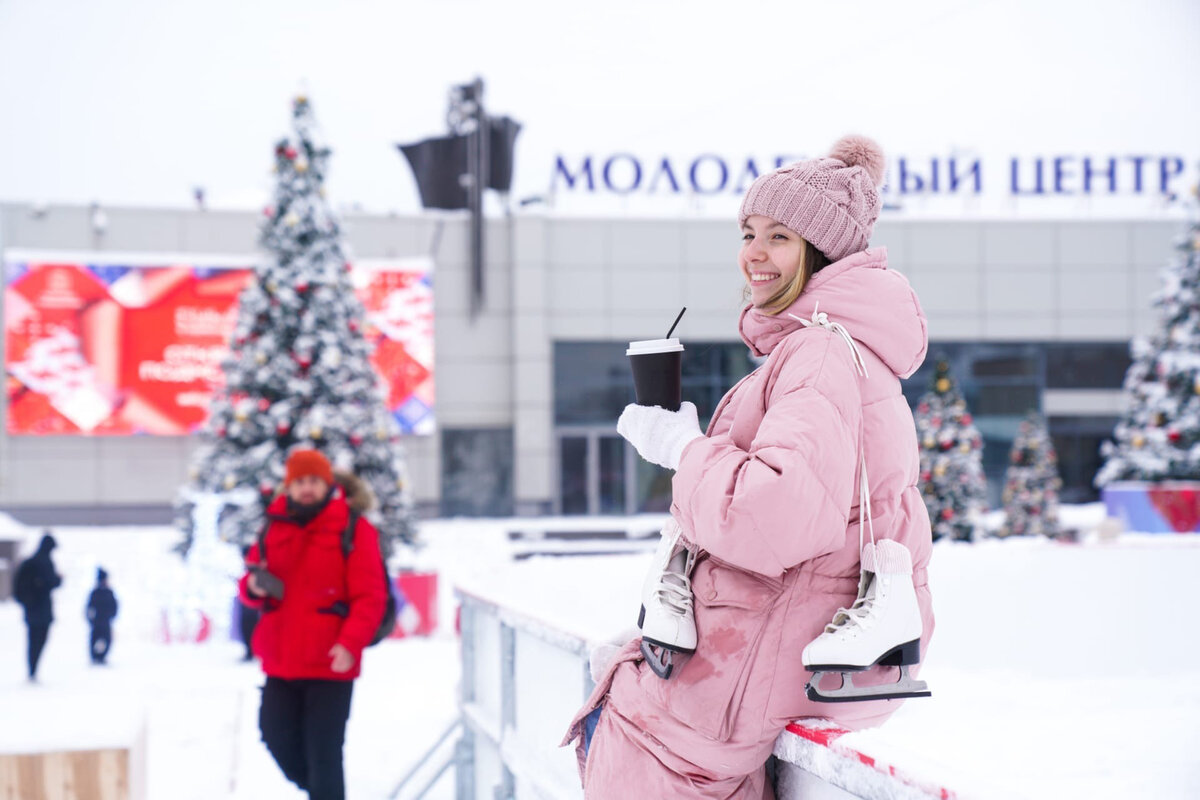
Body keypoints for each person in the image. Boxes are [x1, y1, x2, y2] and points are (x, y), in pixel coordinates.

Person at [563, 135, 935, 798]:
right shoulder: (832, 350)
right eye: (748, 232)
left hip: (752, 671)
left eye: (780, 237)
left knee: (622, 734)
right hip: (774, 658)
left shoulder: (818, 354)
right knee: (616, 687)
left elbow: (771, 517)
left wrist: (681, 448)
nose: (755, 254)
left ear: (822, 251)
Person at [239, 448, 386, 800]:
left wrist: (350, 644)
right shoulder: (271, 527)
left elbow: (370, 596)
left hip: (330, 663)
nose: (307, 488)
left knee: (324, 755)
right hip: (281, 660)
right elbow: (249, 584)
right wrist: (254, 587)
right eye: (300, 481)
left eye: (314, 481)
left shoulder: (354, 527)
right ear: (288, 487)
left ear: (328, 484)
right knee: (274, 735)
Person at [13, 531, 62, 682]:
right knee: (38, 640)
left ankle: (32, 669)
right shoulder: (43, 562)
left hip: (33, 609)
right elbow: (51, 582)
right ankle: (33, 669)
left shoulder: (31, 562)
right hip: (40, 609)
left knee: (33, 640)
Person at [86, 567, 119, 665]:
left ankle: (101, 657)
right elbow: (89, 607)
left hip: (105, 620)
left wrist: (112, 615)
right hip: (97, 621)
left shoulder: (108, 592)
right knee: (94, 639)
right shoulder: (95, 592)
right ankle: (95, 657)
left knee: (107, 640)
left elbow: (114, 606)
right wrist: (90, 619)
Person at [237, 546, 260, 662]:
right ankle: (249, 651)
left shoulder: (256, 565)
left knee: (252, 627)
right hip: (246, 603)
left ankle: (252, 651)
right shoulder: (246, 566)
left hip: (254, 606)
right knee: (246, 626)